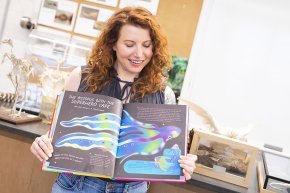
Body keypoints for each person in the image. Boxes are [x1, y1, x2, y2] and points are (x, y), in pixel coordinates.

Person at [30, 6, 197, 193]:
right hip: (76, 185)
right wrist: (43, 143)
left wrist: (182, 165)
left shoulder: (164, 94)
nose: (139, 54)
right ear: (113, 43)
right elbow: (57, 134)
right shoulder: (81, 78)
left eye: (147, 45)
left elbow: (165, 154)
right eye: (129, 44)